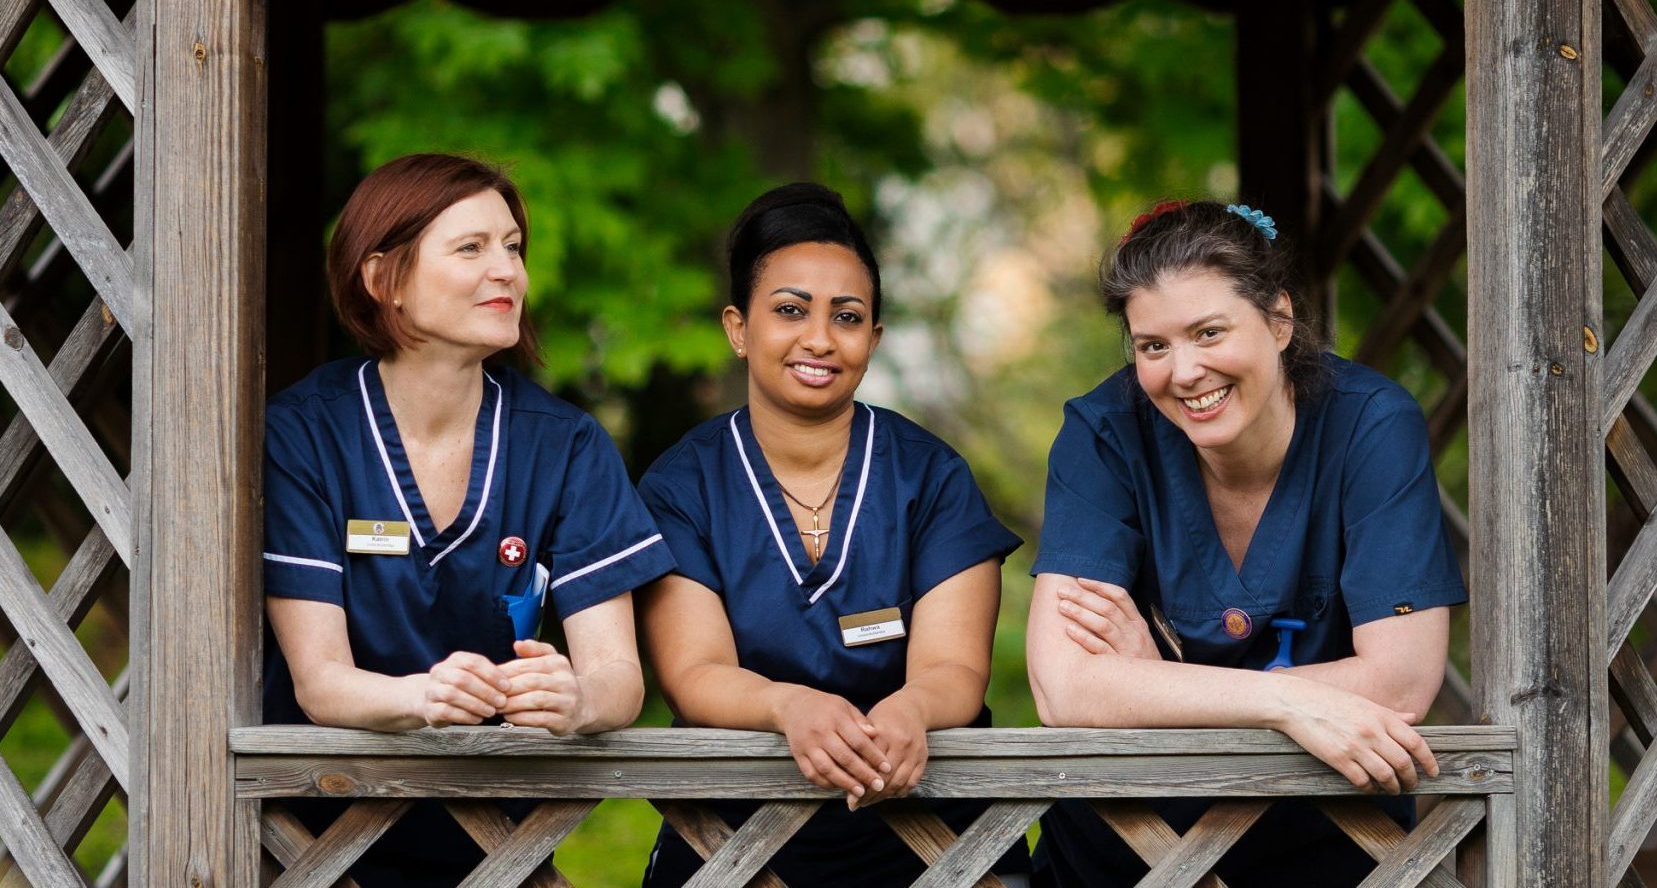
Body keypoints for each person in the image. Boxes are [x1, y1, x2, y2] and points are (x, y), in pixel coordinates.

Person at [1025, 200, 1468, 887]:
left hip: (1335, 832)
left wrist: (1157, 686)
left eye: (1208, 332)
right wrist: (1288, 701)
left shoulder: (1370, 425)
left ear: (1279, 320)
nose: (1183, 371)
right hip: (1128, 839)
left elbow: (1402, 680)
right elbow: (1063, 690)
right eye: (1153, 346)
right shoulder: (1103, 432)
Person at [261, 153, 674, 886]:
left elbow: (619, 679)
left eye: (513, 248)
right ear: (382, 278)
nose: (507, 271)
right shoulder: (303, 434)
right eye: (472, 248)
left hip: (499, 846)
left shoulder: (568, 445)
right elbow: (319, 681)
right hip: (318, 835)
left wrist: (575, 699)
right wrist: (424, 696)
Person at [636, 183, 1031, 887]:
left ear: (872, 339)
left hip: (932, 835)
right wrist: (788, 706)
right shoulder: (680, 486)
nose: (819, 339)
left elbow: (955, 674)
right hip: (733, 844)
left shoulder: (930, 476)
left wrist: (912, 707)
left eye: (846, 317)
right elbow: (695, 676)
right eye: (789, 310)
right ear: (737, 327)